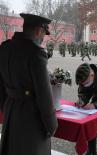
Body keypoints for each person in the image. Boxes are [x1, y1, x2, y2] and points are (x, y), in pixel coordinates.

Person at [0, 13, 58, 155]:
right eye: (44, 33)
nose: (43, 37)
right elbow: (44, 95)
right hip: (30, 115)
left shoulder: (5, 48)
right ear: (39, 31)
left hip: (10, 109)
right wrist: (51, 124)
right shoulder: (35, 53)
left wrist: (4, 106)